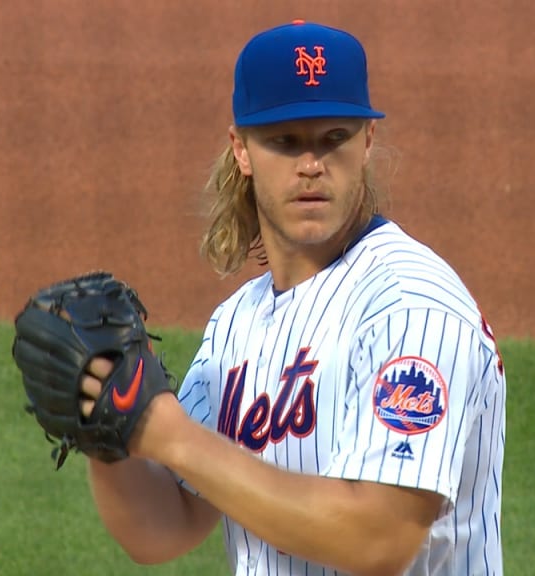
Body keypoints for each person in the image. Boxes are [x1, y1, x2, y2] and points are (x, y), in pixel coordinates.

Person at [77, 19, 506, 575]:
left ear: (367, 142)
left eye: (334, 138)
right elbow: (166, 527)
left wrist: (172, 437)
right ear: (242, 150)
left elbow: (378, 538)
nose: (311, 164)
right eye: (285, 141)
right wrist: (107, 435)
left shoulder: (411, 308)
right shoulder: (236, 324)